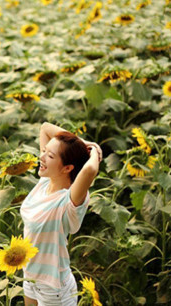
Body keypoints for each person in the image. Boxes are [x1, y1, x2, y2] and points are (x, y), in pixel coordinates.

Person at [20, 122, 102, 306]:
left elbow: (89, 170)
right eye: (44, 151)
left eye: (49, 155)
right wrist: (82, 143)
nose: (42, 156)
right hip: (30, 274)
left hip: (54, 286)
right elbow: (44, 128)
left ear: (67, 168)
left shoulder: (69, 200)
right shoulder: (45, 181)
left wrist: (94, 150)